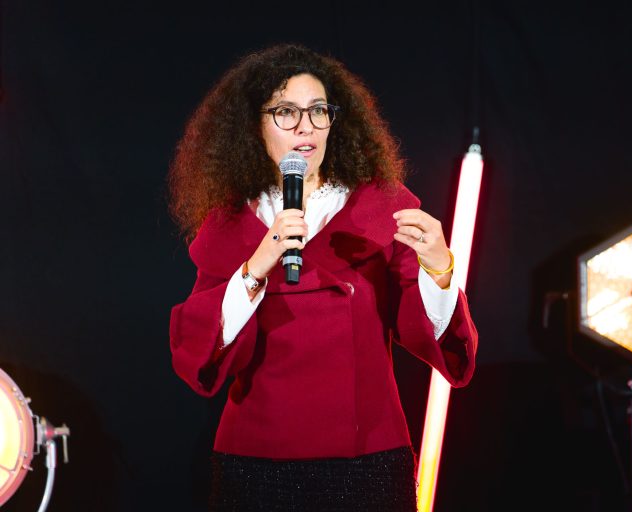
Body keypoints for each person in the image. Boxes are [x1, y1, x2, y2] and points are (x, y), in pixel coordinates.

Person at [167, 42, 478, 512]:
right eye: (286, 112)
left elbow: (428, 332)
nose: (305, 126)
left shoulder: (383, 207)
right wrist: (254, 269)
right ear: (256, 124)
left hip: (364, 461)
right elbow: (199, 349)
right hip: (256, 461)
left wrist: (438, 267)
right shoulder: (232, 224)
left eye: (318, 111)